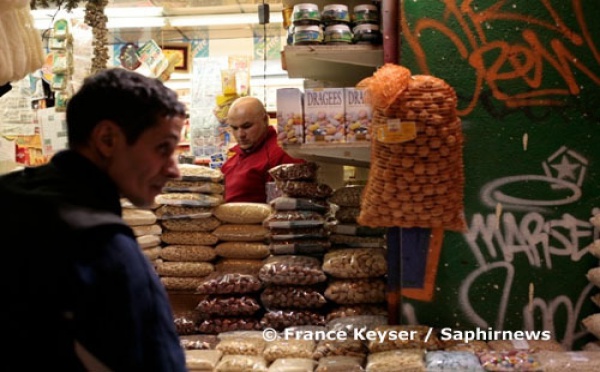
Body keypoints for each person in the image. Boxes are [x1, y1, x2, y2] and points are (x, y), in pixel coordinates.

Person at [0, 68, 187, 370]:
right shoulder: (103, 249)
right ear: (107, 139)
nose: (174, 169)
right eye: (163, 148)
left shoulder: (9, 197)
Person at [221, 96, 304, 203]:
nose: (240, 134)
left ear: (265, 120)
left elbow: (287, 209)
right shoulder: (238, 155)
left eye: (247, 126)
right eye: (234, 128)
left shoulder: (281, 154)